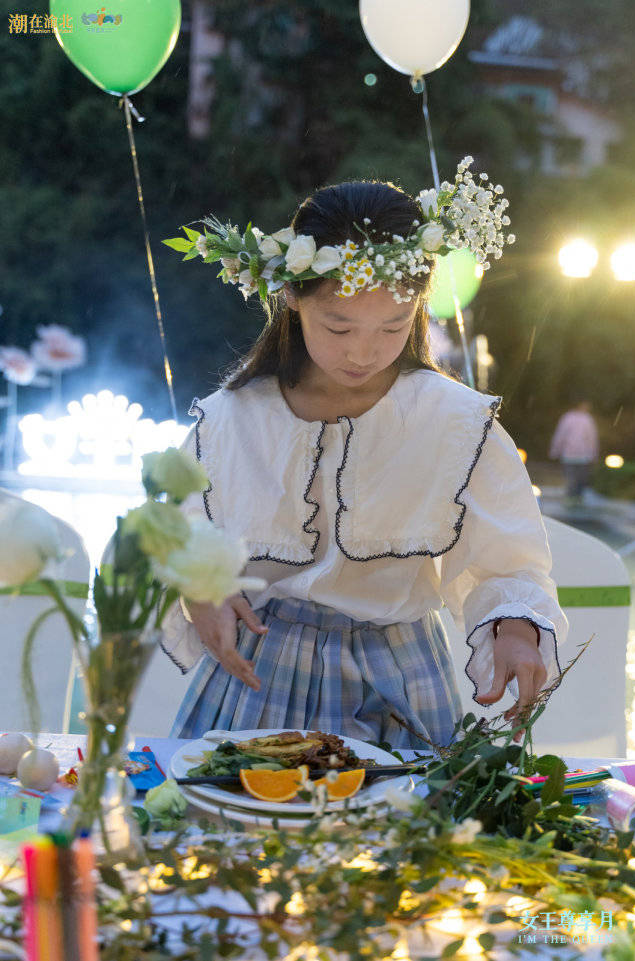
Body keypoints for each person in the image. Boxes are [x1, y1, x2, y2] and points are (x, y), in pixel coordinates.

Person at [160, 171, 568, 751]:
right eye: (339, 325)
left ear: (420, 310)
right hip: (259, 671)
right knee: (244, 825)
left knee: (405, 832)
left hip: (399, 673)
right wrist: (202, 590)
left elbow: (511, 559)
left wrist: (516, 627)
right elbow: (175, 531)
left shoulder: (456, 422)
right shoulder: (235, 416)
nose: (363, 351)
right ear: (292, 298)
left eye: (392, 327)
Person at [548, 400, 599, 505]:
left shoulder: (569, 418)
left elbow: (560, 435)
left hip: (572, 455)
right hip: (580, 455)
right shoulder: (585, 419)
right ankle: (575, 499)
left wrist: (555, 450)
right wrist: (593, 454)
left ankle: (573, 499)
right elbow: (592, 438)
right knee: (578, 478)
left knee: (573, 478)